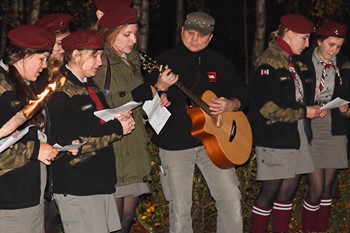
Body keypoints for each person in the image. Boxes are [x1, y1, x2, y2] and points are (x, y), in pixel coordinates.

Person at [144, 11, 249, 233]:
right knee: (181, 208)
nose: (194, 39)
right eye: (190, 33)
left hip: (215, 144)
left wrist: (230, 104)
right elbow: (143, 102)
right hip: (175, 144)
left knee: (231, 198)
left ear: (210, 38)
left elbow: (243, 93)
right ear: (182, 31)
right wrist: (160, 87)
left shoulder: (220, 62)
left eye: (201, 35)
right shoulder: (163, 61)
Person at [95, 6, 177, 233]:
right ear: (111, 33)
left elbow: (135, 102)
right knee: (111, 223)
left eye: (135, 34)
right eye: (126, 35)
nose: (133, 40)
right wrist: (154, 88)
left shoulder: (130, 60)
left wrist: (155, 99)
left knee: (126, 220)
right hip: (115, 150)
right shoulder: (100, 60)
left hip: (134, 147)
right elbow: (108, 103)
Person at [46, 29, 135, 233]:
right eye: (95, 55)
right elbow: (71, 141)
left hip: (99, 183)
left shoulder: (90, 85)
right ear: (76, 55)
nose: (100, 62)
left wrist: (118, 118)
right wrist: (117, 128)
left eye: (101, 55)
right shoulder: (59, 90)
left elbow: (98, 123)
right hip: (78, 186)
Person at [248, 14, 323, 233]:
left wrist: (314, 109)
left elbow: (298, 97)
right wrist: (303, 111)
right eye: (304, 38)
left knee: (288, 190)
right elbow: (265, 108)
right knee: (269, 192)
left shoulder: (295, 62)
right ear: (289, 34)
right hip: (274, 136)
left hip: (297, 133)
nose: (307, 44)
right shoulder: (268, 61)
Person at [0, 24, 58, 233]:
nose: (44, 65)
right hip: (8, 201)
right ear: (23, 55)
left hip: (30, 195)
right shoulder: (2, 88)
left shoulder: (24, 86)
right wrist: (35, 151)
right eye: (41, 58)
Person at [298, 21, 350, 233]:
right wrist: (307, 108)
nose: (334, 50)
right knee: (317, 187)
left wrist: (346, 110)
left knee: (328, 187)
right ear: (318, 41)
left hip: (334, 127)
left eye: (338, 46)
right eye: (330, 44)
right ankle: (307, 229)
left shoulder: (345, 65)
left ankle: (320, 230)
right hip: (311, 126)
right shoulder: (301, 62)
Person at [34, 12, 72, 233]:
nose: (62, 49)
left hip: (63, 153)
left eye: (65, 43)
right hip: (42, 152)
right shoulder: (35, 76)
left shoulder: (67, 73)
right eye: (58, 43)